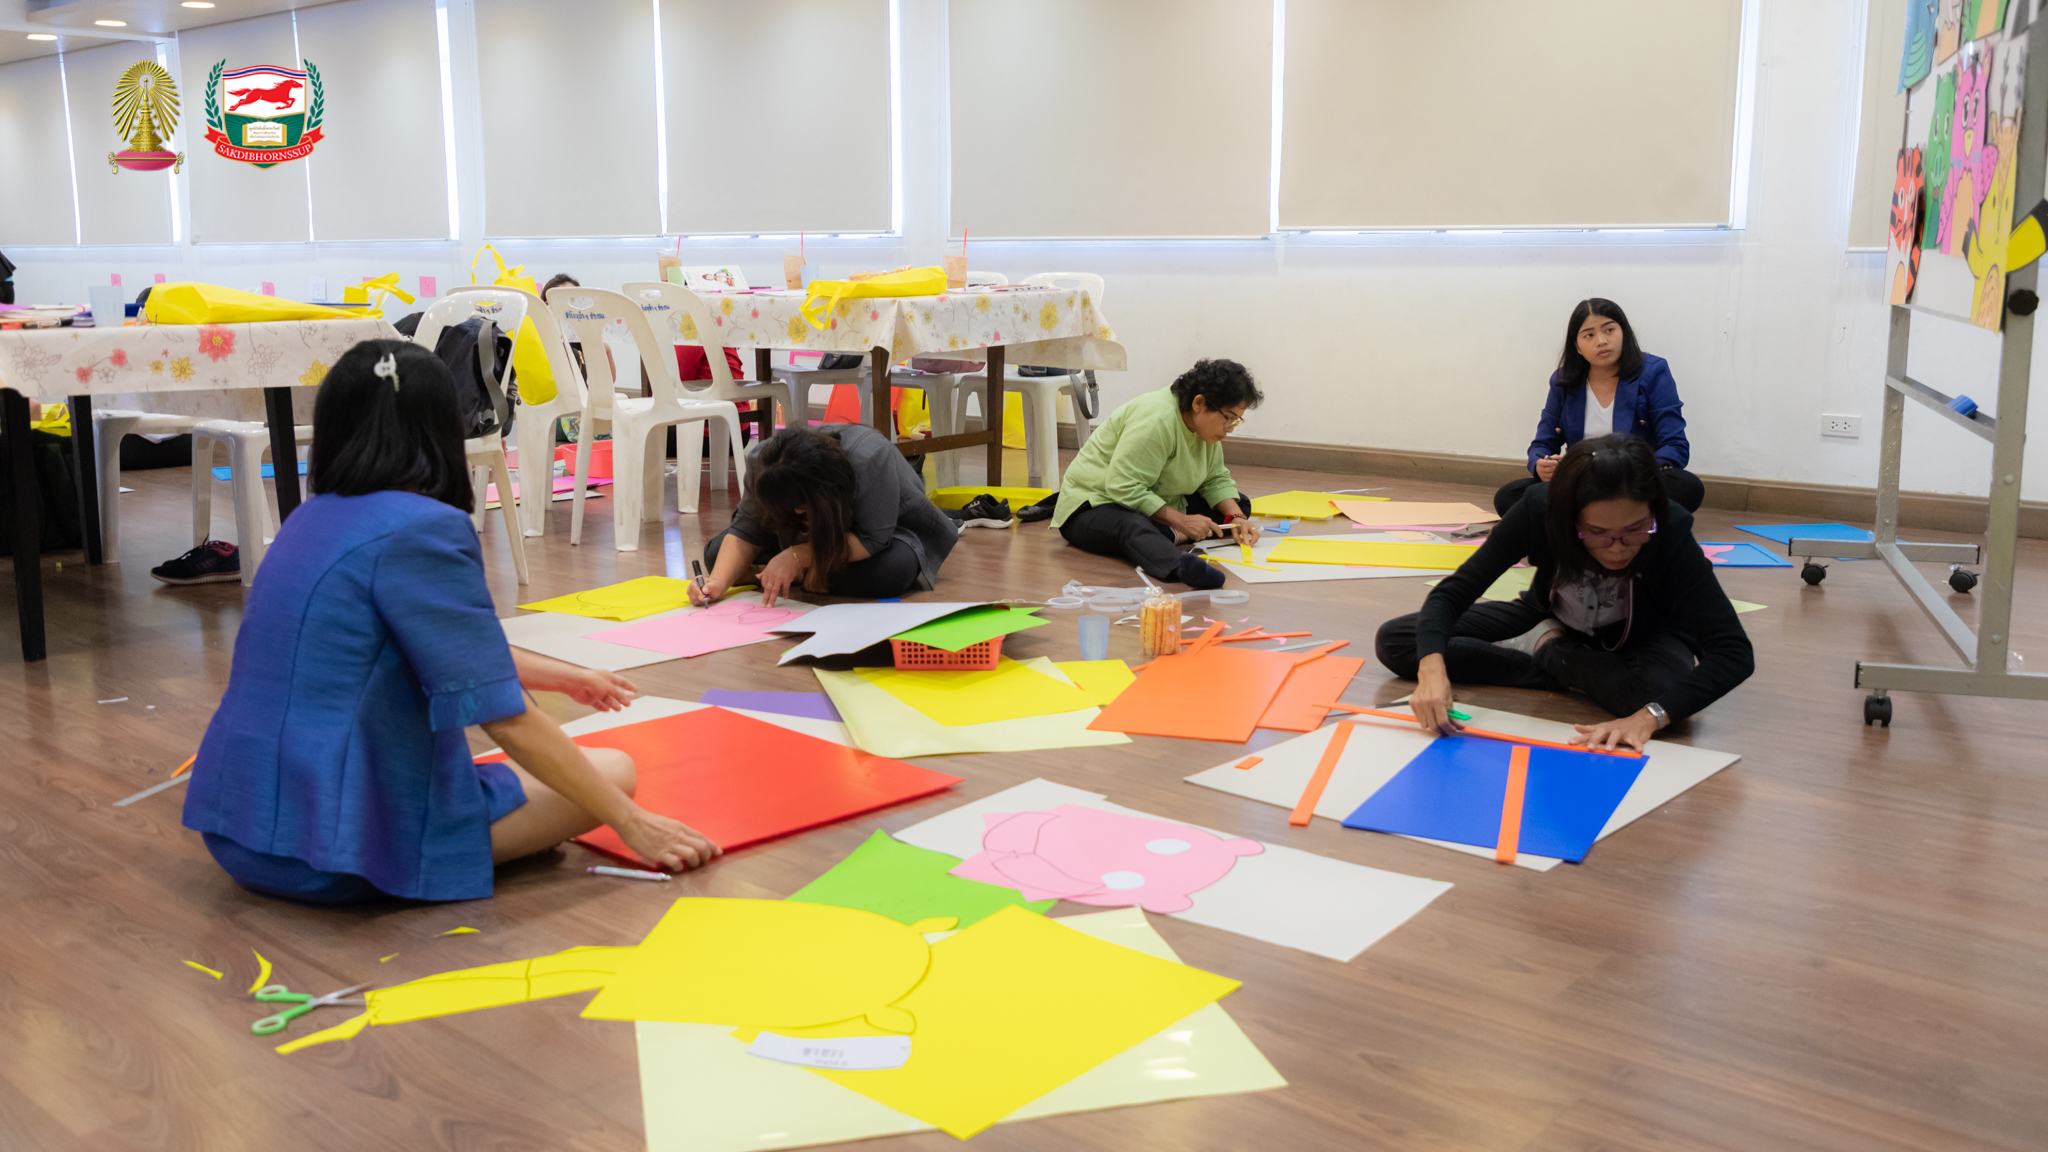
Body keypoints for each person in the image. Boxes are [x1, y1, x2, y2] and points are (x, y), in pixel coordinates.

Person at [182, 340, 718, 904]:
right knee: (615, 770)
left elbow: (442, 646)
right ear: (443, 426)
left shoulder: (306, 519)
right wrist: (635, 824)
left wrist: (563, 677)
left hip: (239, 831)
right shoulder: (425, 528)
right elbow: (505, 720)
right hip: (336, 854)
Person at [1376, 434, 1753, 751]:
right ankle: (1559, 657)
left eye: (1635, 530)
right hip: (1548, 615)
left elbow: (1733, 651)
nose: (1617, 548)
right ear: (1567, 518)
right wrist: (1432, 670)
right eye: (1597, 533)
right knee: (1399, 641)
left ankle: (1548, 652)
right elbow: (1452, 593)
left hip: (1644, 636)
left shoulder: (1671, 531)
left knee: (1656, 695)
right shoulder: (1538, 510)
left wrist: (1647, 718)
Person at [691, 423, 958, 606]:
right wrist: (717, 583)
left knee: (891, 572)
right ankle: (784, 573)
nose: (798, 511)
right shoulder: (764, 462)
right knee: (716, 556)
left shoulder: (870, 459)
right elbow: (747, 529)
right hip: (796, 536)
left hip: (873, 539)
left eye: (801, 506)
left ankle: (777, 574)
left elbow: (872, 540)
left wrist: (797, 558)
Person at [1051, 358, 1262, 590]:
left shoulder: (1203, 428)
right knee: (1131, 525)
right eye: (1228, 418)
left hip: (1154, 500)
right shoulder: (1157, 419)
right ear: (1199, 403)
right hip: (1094, 505)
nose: (1229, 428)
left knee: (1240, 503)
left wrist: (1236, 518)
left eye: (1236, 420)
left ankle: (1165, 533)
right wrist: (1181, 520)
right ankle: (1180, 564)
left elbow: (1214, 478)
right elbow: (1122, 485)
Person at [1496, 298, 1703, 516]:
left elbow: (1675, 444)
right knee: (1508, 495)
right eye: (1589, 335)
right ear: (1577, 346)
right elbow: (1542, 444)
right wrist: (1541, 464)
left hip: (1635, 480)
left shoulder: (1653, 372)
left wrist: (1639, 471)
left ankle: (1583, 518)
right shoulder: (1563, 381)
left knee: (1686, 486)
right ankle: (1623, 517)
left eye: (1609, 330)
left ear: (1624, 332)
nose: (1601, 341)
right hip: (1583, 481)